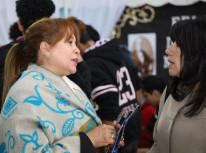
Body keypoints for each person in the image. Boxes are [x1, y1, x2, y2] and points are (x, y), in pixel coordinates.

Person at [0, 18, 123, 153]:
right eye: (70, 42)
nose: (77, 50)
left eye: (76, 43)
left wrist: (104, 139)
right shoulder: (25, 93)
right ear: (45, 48)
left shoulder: (64, 83)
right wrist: (90, 140)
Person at [68, 16, 142, 153]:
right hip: (132, 126)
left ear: (77, 44)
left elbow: (108, 98)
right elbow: (138, 85)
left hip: (117, 137)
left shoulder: (92, 63)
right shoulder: (116, 52)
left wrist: (109, 138)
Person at [0, 0, 56, 141]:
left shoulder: (3, 59)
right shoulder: (59, 57)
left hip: (14, 140)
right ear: (50, 22)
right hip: (57, 141)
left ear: (19, 24)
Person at [148, 18, 206, 153]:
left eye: (179, 44)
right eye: (172, 42)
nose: (169, 50)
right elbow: (157, 146)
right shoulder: (171, 91)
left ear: (199, 51)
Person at [138, 76, 165, 149]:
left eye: (146, 96)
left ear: (155, 93)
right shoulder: (158, 109)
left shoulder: (164, 113)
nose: (146, 101)